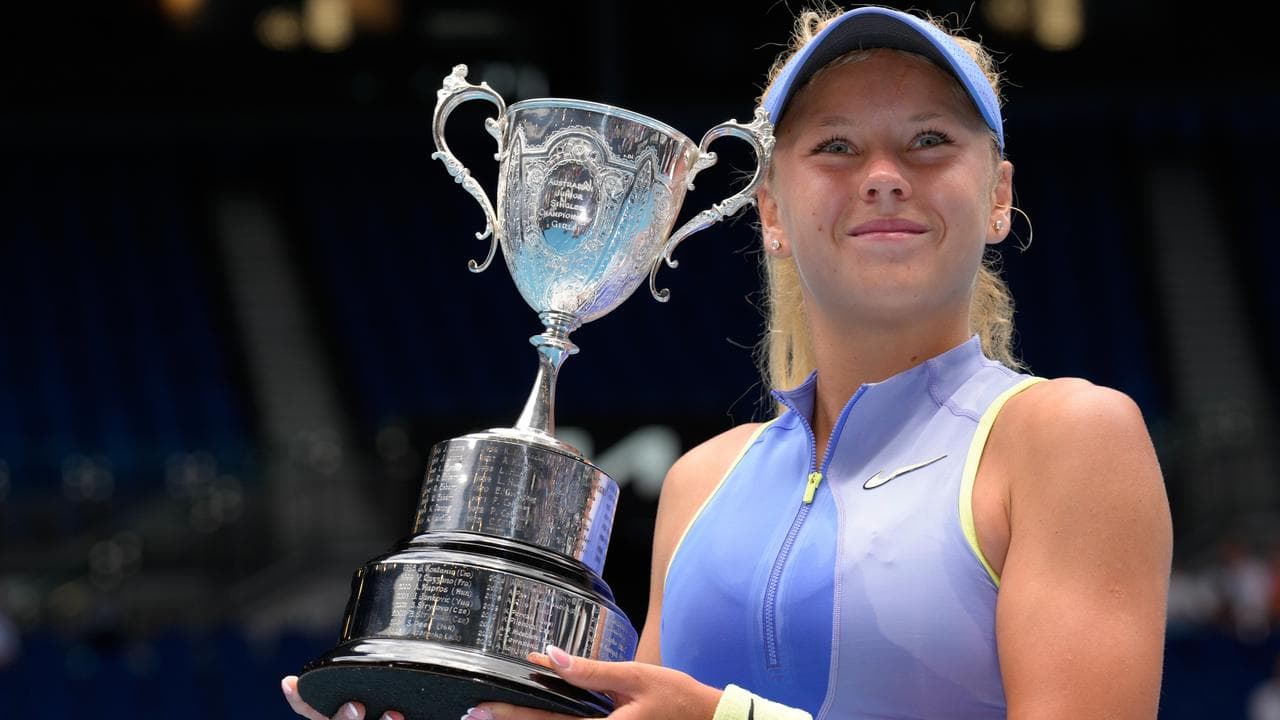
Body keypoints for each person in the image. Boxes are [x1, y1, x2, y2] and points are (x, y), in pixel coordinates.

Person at [283, 5, 1172, 719]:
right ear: (771, 212)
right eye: (835, 146)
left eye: (930, 140)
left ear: (999, 196)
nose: (883, 174)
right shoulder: (701, 484)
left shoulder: (1067, 439)